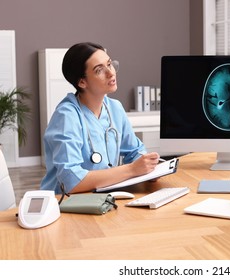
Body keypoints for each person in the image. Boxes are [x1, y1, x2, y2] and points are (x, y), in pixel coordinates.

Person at [41, 42, 161, 194]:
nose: (111, 73)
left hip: (104, 196)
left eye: (109, 64)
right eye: (99, 70)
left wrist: (147, 166)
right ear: (82, 82)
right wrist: (132, 169)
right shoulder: (67, 117)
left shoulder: (115, 108)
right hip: (66, 204)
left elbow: (134, 151)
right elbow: (71, 180)